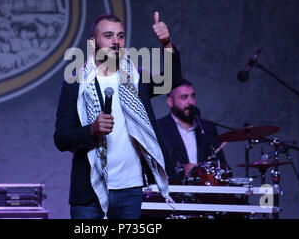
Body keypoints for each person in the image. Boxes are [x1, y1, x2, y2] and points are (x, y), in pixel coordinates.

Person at [54, 12, 182, 219]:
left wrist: (166, 43)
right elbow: (61, 138)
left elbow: (172, 80)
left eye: (120, 36)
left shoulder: (136, 78)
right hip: (89, 193)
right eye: (108, 35)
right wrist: (91, 130)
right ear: (93, 42)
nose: (116, 41)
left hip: (130, 189)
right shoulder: (75, 83)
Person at [157, 79, 227, 180]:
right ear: (170, 101)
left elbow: (223, 164)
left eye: (193, 96)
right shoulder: (160, 128)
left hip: (205, 192)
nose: (191, 102)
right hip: (174, 191)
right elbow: (155, 166)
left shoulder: (207, 128)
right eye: (184, 97)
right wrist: (181, 170)